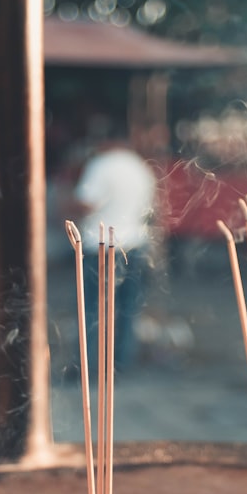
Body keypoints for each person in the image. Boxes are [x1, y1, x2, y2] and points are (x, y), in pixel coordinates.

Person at [67, 134, 158, 371]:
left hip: (101, 245)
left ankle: (88, 365)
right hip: (136, 243)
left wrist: (65, 204)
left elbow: (86, 202)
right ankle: (121, 364)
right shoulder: (140, 167)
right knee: (128, 309)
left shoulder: (101, 165)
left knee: (91, 309)